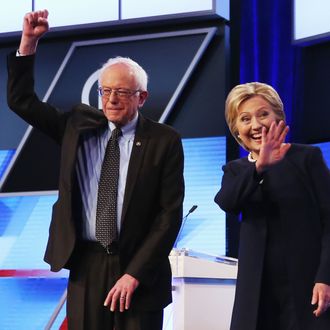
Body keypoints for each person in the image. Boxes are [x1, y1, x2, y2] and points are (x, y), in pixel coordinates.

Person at [7, 10, 184, 330]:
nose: (111, 99)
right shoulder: (78, 126)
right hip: (86, 264)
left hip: (138, 270)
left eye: (122, 92)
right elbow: (22, 101)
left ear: (141, 97)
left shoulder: (164, 140)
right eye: (105, 90)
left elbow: (168, 215)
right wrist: (29, 43)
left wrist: (135, 274)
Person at [214, 82, 330, 330]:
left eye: (263, 114)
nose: (255, 125)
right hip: (257, 294)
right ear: (236, 130)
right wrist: (259, 166)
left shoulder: (307, 158)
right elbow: (227, 202)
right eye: (245, 119)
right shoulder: (237, 170)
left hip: (306, 286)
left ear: (279, 117)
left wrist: (325, 278)